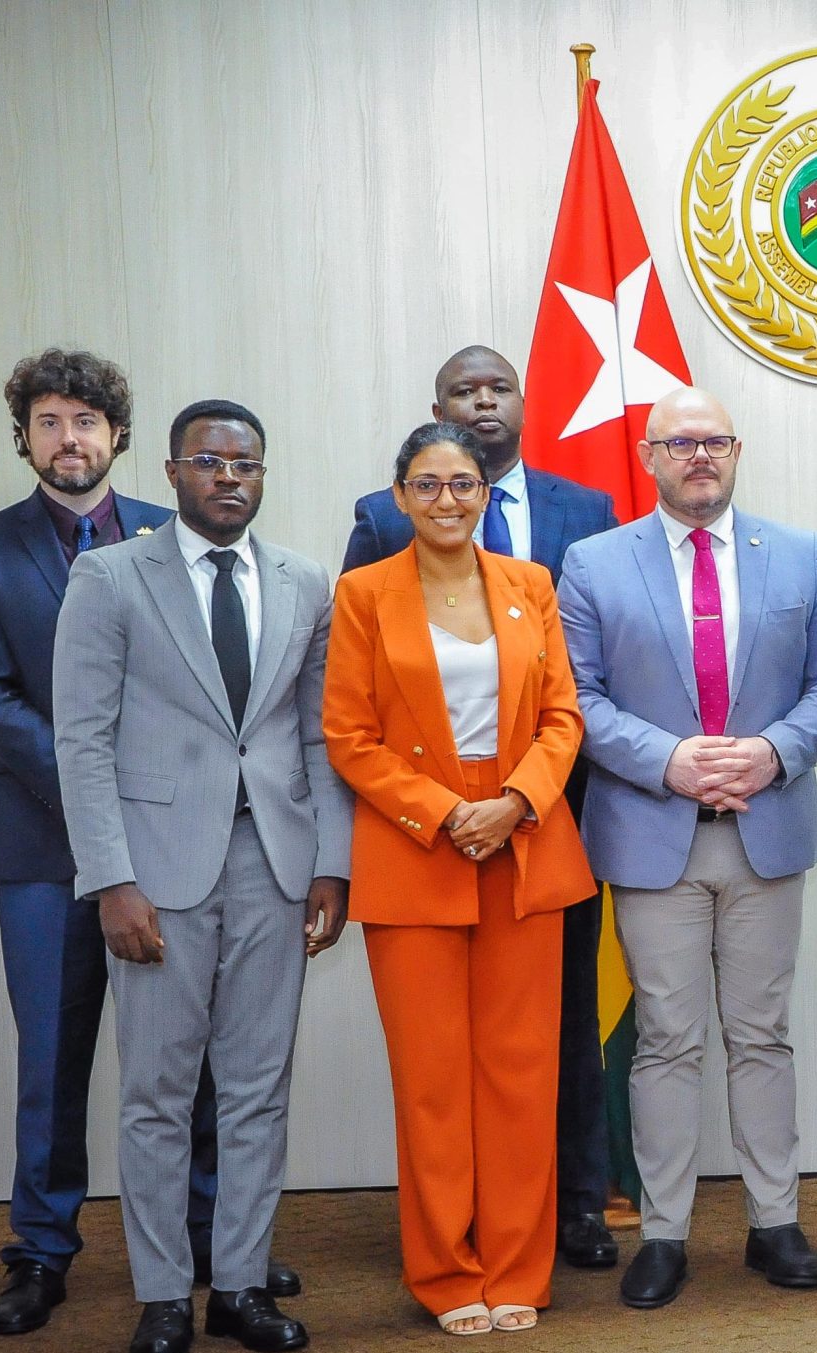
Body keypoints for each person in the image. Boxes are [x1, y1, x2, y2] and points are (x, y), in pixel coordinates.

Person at [0, 350, 296, 1335]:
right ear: (26, 436)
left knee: (188, 1058)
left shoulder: (178, 528)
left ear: (120, 438)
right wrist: (104, 792)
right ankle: (41, 1250)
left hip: (184, 848)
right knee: (55, 1054)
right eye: (51, 422)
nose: (72, 439)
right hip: (41, 841)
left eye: (88, 423)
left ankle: (208, 1236)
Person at [52, 400, 351, 1353]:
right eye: (210, 462)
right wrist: (111, 878)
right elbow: (82, 742)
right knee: (157, 1094)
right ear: (175, 472)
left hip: (273, 862)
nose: (229, 478)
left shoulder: (305, 582)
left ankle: (239, 1285)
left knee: (260, 1088)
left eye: (246, 464)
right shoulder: (108, 577)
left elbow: (316, 734)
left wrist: (331, 863)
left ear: (263, 475)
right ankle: (160, 1296)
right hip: (157, 872)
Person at [558, 386, 817, 1309]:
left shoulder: (799, 555)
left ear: (737, 449)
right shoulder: (594, 561)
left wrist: (770, 752)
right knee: (667, 1043)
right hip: (652, 836)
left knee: (763, 1034)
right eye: (680, 443)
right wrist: (673, 760)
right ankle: (667, 1232)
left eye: (715, 440)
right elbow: (580, 698)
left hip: (767, 830)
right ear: (648, 456)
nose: (700, 457)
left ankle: (775, 1219)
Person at [344, 346, 624, 1273]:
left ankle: (516, 1264)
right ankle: (443, 1268)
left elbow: (564, 714)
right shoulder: (361, 591)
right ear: (401, 496)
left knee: (521, 1070)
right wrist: (441, 810)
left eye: (463, 484)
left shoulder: (531, 586)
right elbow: (348, 733)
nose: (450, 499)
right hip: (416, 843)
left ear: (483, 489)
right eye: (429, 484)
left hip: (528, 839)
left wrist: (512, 803)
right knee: (431, 1081)